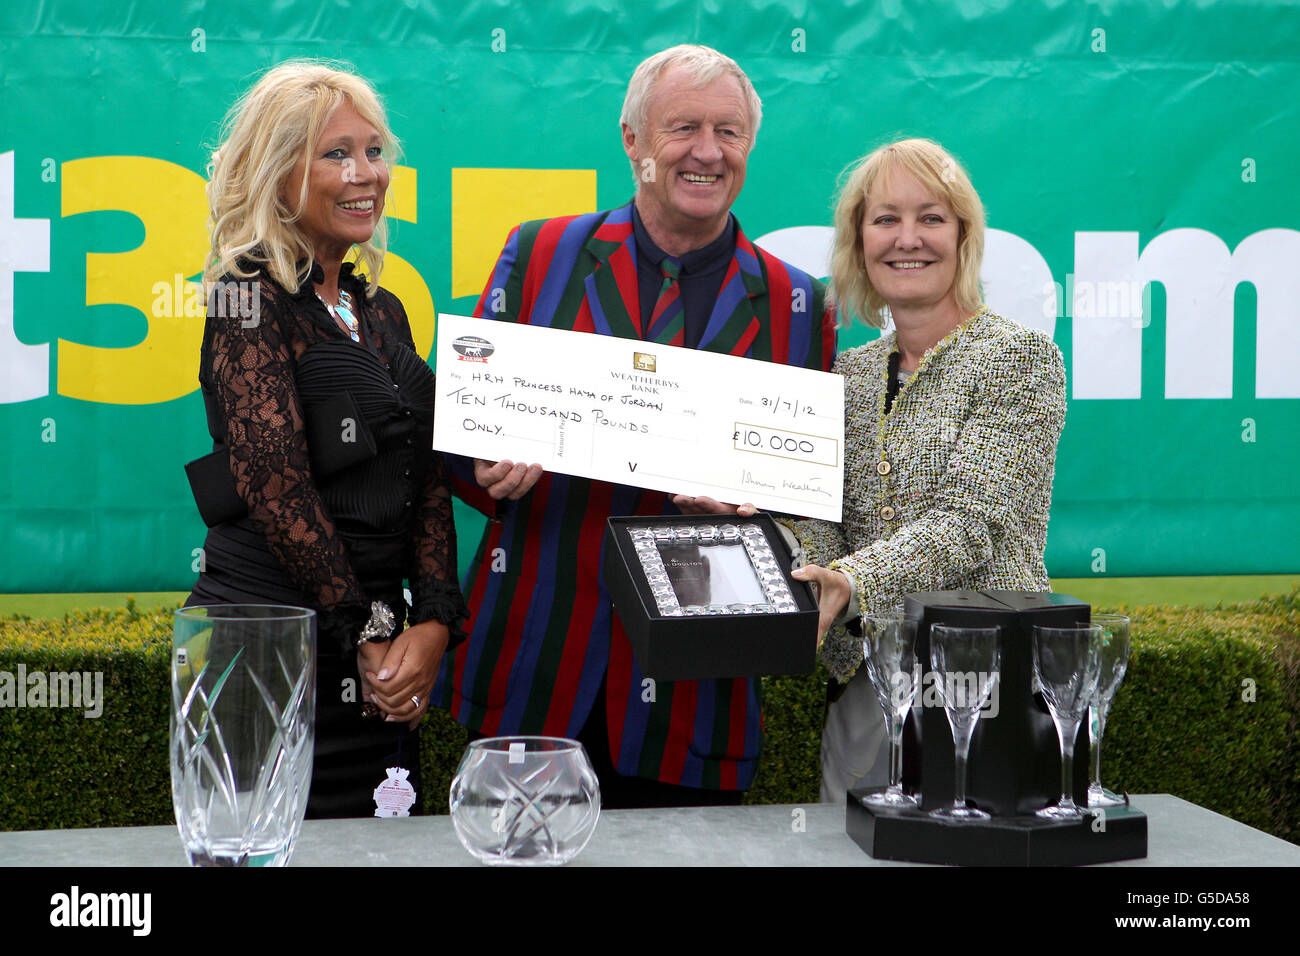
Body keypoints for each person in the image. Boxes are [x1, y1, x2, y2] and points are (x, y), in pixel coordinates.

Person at [434, 44, 836, 807]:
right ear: (634, 141)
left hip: (695, 687)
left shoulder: (796, 302)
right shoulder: (539, 254)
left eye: (729, 131)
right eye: (683, 127)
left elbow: (809, 507)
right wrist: (488, 462)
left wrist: (756, 516)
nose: (707, 152)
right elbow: (459, 440)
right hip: (537, 663)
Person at [185, 61, 467, 818]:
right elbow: (278, 490)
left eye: (373, 151)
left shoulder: (387, 310)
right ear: (279, 177)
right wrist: (370, 631)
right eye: (336, 153)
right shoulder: (247, 299)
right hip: (267, 651)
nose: (364, 174)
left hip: (375, 668)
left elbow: (428, 478)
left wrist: (434, 620)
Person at [788, 138, 1067, 803]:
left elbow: (970, 525)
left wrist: (850, 580)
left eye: (931, 217)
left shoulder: (1019, 360)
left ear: (964, 237)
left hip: (987, 683)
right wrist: (765, 526)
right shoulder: (846, 376)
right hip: (863, 690)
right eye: (885, 219)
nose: (906, 238)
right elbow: (819, 520)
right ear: (859, 242)